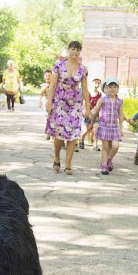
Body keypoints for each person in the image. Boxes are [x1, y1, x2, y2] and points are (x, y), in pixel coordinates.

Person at [45, 40, 90, 175]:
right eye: (73, 49)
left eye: (78, 50)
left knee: (73, 134)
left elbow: (85, 89)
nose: (75, 52)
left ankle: (68, 164)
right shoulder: (58, 66)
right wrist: (49, 102)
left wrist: (87, 107)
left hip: (75, 104)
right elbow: (52, 85)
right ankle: (57, 157)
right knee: (59, 133)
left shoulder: (83, 69)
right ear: (69, 50)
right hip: (59, 102)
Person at [90, 77, 125, 175]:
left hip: (114, 127)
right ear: (107, 88)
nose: (112, 89)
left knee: (115, 146)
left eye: (115, 87)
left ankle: (109, 159)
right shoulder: (102, 100)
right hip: (104, 126)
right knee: (105, 146)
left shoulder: (120, 101)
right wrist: (88, 113)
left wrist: (121, 127)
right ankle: (104, 166)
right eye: (110, 87)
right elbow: (96, 109)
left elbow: (121, 115)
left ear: (118, 88)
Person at [79, 77, 102, 150]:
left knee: (96, 129)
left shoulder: (100, 94)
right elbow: (84, 103)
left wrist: (100, 114)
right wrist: (84, 111)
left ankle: (95, 145)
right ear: (91, 83)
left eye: (98, 83)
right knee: (87, 130)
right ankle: (81, 140)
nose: (97, 84)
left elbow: (100, 105)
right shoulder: (88, 93)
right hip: (88, 114)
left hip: (96, 115)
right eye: (95, 83)